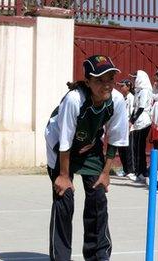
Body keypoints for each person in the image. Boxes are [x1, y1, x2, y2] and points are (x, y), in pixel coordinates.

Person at [45, 54, 121, 261]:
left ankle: (98, 256)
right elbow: (65, 140)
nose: (106, 85)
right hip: (60, 147)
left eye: (110, 79)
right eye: (99, 80)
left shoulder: (117, 99)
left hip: (90, 145)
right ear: (87, 82)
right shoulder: (74, 99)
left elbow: (115, 137)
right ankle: (60, 258)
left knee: (97, 196)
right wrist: (63, 176)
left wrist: (105, 173)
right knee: (64, 198)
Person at [127, 70, 153, 183]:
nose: (134, 80)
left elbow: (141, 108)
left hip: (143, 121)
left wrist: (132, 121)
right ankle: (139, 171)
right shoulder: (138, 91)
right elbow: (135, 109)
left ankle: (141, 172)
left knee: (140, 147)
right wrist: (131, 120)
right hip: (138, 121)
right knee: (137, 148)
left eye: (135, 78)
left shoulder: (145, 91)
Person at [115, 79, 135, 177]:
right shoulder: (123, 97)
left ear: (128, 87)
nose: (121, 88)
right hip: (121, 126)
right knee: (121, 149)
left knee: (128, 150)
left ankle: (130, 170)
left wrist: (130, 123)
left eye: (122, 86)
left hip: (128, 127)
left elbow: (132, 112)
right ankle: (125, 169)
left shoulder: (131, 98)